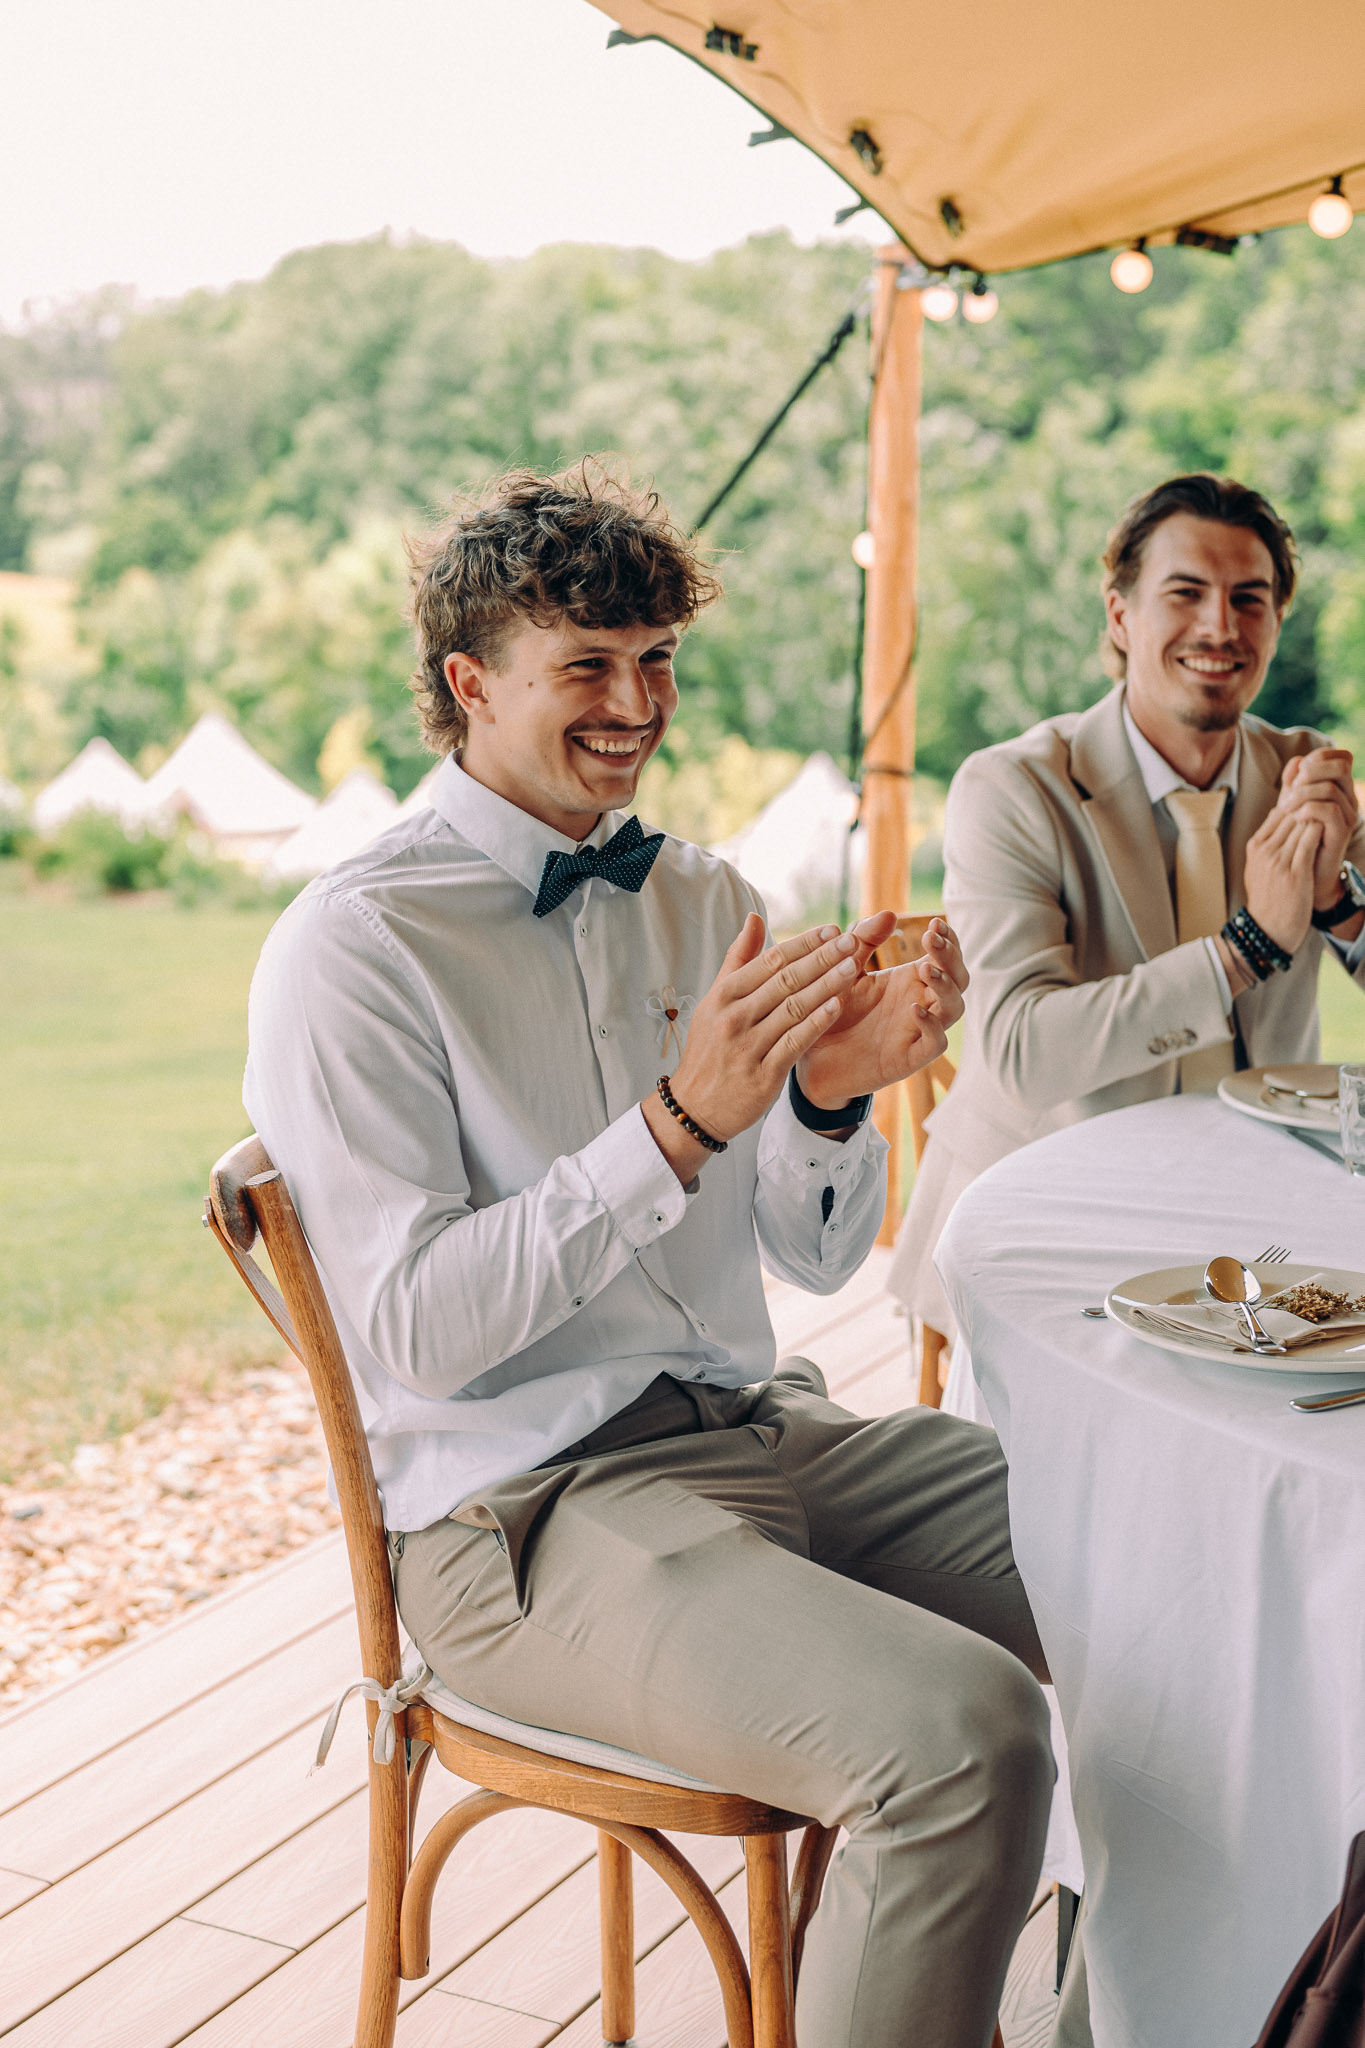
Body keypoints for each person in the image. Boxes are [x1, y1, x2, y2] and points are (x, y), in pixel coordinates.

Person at [244, 462, 1055, 2048]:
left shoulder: (703, 896)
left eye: (657, 660)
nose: (636, 706)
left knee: (1169, 1539)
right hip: (522, 1514)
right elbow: (418, 1333)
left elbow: (812, 1255)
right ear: (470, 684)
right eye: (589, 667)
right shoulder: (357, 945)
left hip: (764, 1430)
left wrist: (828, 1101)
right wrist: (677, 1124)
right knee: (963, 1738)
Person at [891, 472, 1365, 1400]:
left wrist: (1338, 907)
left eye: (1249, 599)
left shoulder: (1305, 774)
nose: (1220, 627)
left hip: (1257, 1221)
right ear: (1119, 614)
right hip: (1046, 1210)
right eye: (1184, 593)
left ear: (1275, 622)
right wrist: (1246, 949)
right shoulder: (1013, 788)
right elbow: (1021, 1053)